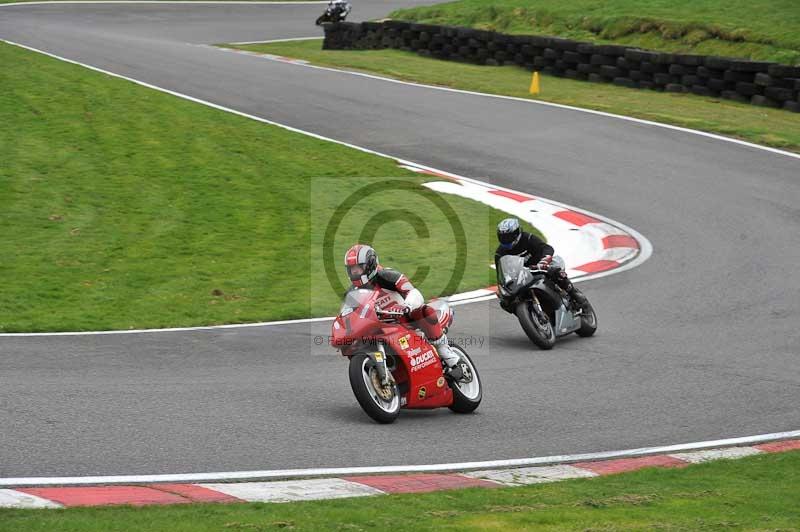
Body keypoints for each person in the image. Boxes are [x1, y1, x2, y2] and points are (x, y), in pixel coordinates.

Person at [343, 244, 462, 375]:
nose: (354, 272)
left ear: (370, 265)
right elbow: (348, 316)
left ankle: (447, 354)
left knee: (425, 311)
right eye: (351, 269)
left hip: (407, 320)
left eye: (358, 268)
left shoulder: (387, 275)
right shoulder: (352, 293)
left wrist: (407, 306)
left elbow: (413, 292)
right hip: (380, 327)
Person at [495, 218, 587, 306]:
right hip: (523, 276)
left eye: (508, 237)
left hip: (540, 266)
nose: (505, 240)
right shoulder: (500, 253)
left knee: (556, 272)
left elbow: (546, 248)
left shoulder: (528, 238)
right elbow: (501, 273)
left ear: (517, 233)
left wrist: (544, 261)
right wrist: (501, 286)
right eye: (502, 237)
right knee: (505, 301)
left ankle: (573, 293)